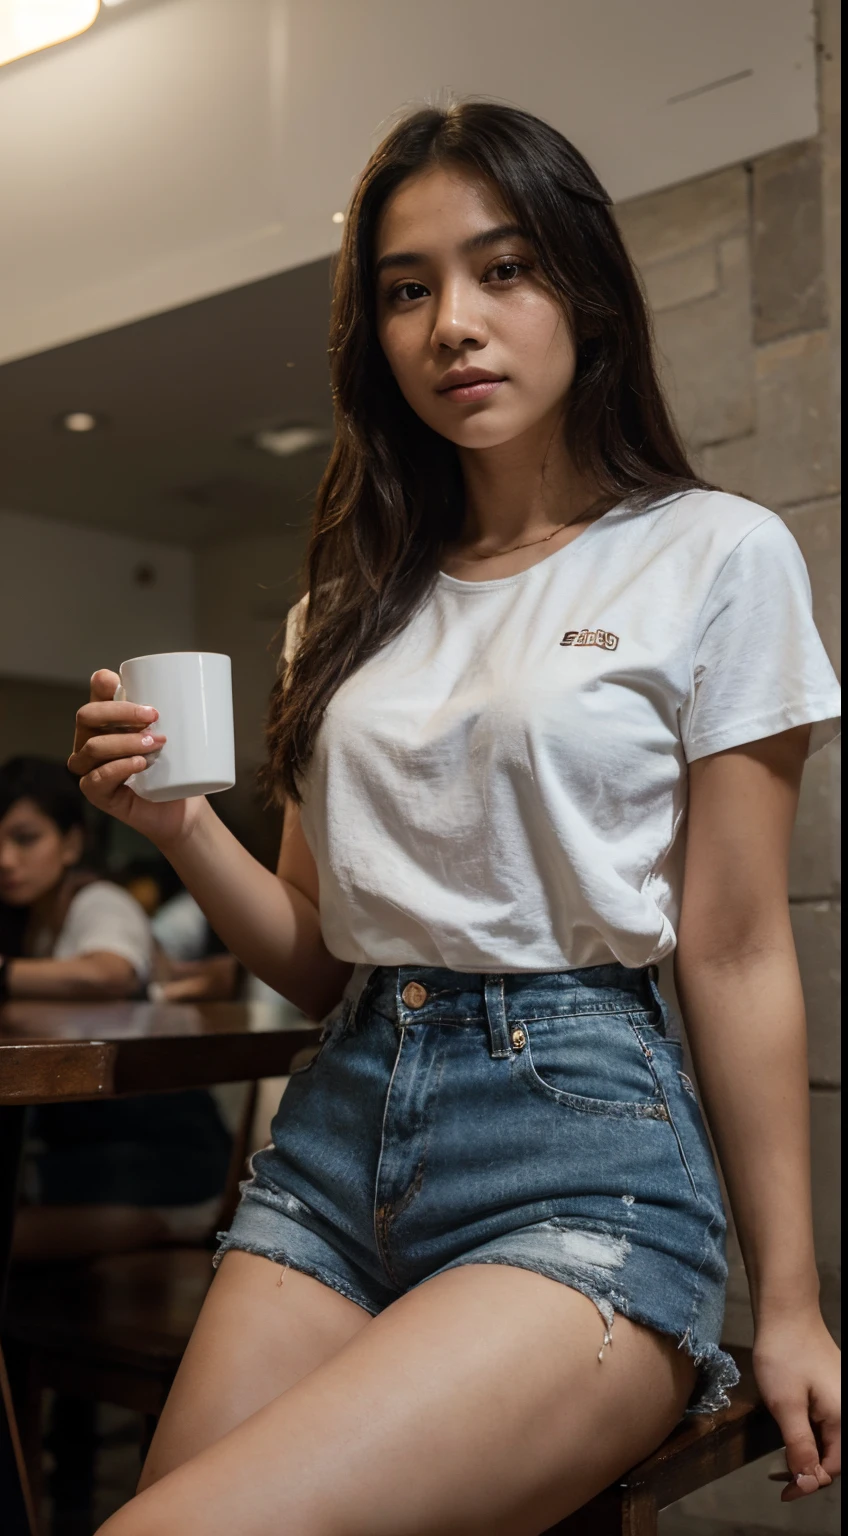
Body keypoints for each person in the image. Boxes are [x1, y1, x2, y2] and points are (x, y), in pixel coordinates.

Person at [70, 102, 840, 1535]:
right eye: (408, 291)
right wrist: (175, 828)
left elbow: (734, 949)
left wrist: (790, 1303)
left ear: (585, 290)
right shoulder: (344, 610)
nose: (452, 325)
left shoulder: (714, 554)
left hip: (583, 1156)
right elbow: (318, 957)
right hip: (331, 1148)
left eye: (503, 270)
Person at [0, 756, 233, 1260]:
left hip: (166, 1160)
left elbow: (111, 971)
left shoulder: (98, 900)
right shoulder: (33, 919)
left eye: (24, 839)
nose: (5, 860)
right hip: (92, 1152)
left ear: (71, 844)